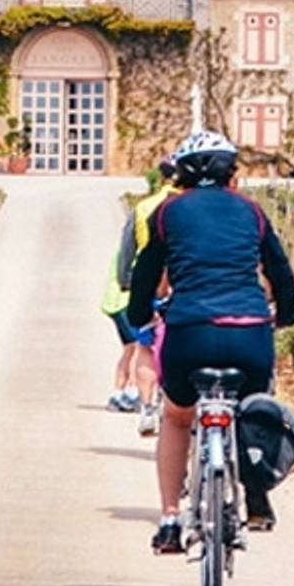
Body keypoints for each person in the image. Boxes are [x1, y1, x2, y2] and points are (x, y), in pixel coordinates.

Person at [128, 130, 294, 556]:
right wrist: (288, 313)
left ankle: (169, 520)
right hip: (249, 332)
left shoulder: (166, 214)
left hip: (189, 333)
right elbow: (279, 269)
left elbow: (145, 274)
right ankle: (257, 495)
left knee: (177, 419)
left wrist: (140, 316)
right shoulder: (252, 212)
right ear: (231, 175)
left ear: (181, 176)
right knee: (254, 407)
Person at [99, 158, 177, 434]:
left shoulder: (145, 207)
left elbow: (127, 248)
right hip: (190, 284)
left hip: (150, 283)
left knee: (145, 346)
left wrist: (126, 282)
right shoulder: (197, 204)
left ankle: (146, 407)